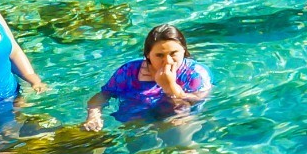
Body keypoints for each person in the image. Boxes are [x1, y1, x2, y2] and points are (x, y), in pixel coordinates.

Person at [83, 24, 211, 130]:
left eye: (174, 53)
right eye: (159, 55)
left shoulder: (195, 74)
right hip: (137, 124)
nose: (168, 61)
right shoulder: (129, 72)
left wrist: (169, 87)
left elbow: (198, 103)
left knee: (179, 124)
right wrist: (94, 116)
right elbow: (104, 94)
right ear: (148, 55)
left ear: (184, 50)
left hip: (175, 123)